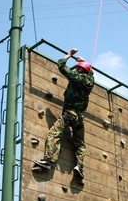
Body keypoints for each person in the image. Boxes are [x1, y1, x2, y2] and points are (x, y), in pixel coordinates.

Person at [33, 48, 94, 179]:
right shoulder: (90, 82)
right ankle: (79, 165)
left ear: (79, 70)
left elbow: (61, 65)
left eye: (78, 68)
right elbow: (91, 72)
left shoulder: (76, 76)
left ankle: (49, 160)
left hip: (69, 114)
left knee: (54, 134)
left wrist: (70, 55)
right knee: (80, 144)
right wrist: (83, 62)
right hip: (80, 118)